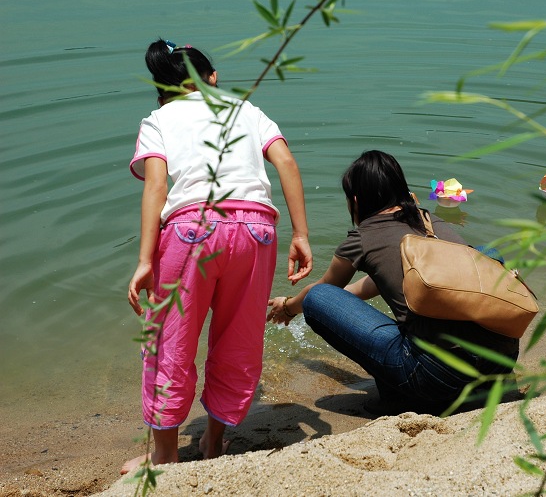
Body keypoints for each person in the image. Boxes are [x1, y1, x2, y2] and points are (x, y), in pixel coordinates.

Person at [123, 39, 313, 474]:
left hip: (192, 232)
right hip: (256, 232)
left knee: (170, 342)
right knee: (239, 340)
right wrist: (300, 234)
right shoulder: (247, 110)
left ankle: (165, 457)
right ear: (212, 79)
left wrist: (145, 259)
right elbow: (285, 162)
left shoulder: (157, 120)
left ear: (162, 89)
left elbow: (156, 188)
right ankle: (213, 443)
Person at [268, 150, 518, 415]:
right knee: (484, 253)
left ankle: (400, 397)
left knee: (318, 299)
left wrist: (288, 306)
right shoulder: (430, 221)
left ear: (354, 200)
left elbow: (321, 293)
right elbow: (383, 280)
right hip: (497, 363)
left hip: (438, 380)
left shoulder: (363, 237)